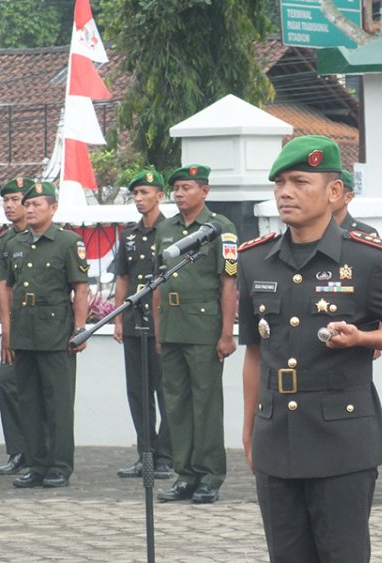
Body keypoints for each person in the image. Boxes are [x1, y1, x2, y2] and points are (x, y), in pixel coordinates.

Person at [239, 135, 382, 561]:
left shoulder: (369, 258)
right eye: (280, 183)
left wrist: (365, 338)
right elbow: (254, 351)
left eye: (300, 182)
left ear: (334, 192)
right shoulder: (254, 260)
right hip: (276, 436)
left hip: (341, 440)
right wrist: (250, 429)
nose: (286, 192)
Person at [153, 164, 238, 504]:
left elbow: (228, 283)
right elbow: (158, 282)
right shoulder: (166, 229)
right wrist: (159, 331)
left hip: (204, 327)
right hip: (172, 324)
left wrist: (226, 334)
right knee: (176, 404)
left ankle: (210, 475)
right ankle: (185, 474)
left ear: (204, 191)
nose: (179, 194)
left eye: (186, 188)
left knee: (205, 403)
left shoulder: (221, 228)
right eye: (176, 189)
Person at [4, 181, 89, 489]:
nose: (29, 209)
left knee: (58, 403)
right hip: (25, 331)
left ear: (52, 208)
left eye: (36, 204)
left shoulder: (67, 242)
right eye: (27, 205)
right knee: (29, 401)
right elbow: (8, 288)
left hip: (56, 333)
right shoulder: (15, 244)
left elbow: (80, 288)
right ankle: (37, 464)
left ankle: (59, 465)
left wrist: (80, 329)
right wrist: (8, 332)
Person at [112, 170, 172, 480]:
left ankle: (166, 456)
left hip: (163, 324)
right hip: (135, 323)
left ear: (159, 195)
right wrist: (119, 317)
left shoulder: (170, 232)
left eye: (144, 193)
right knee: (138, 392)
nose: (139, 199)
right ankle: (145, 455)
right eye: (135, 194)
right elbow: (123, 277)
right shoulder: (129, 236)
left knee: (165, 391)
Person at [0, 178, 31, 476]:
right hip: (15, 321)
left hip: (43, 324)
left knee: (41, 388)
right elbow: (3, 286)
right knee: (7, 382)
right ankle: (18, 450)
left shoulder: (48, 234)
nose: (9, 205)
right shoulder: (5, 241)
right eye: (5, 200)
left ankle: (42, 451)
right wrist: (6, 330)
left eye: (15, 199)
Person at [334, 170, 378, 235]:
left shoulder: (364, 234)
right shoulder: (316, 231)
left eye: (334, 191)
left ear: (348, 197)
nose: (328, 196)